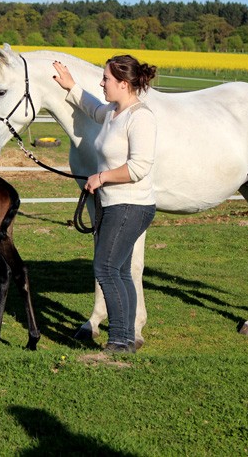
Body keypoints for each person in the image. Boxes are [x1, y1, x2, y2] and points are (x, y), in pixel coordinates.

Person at [52, 55, 157, 354]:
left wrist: (101, 177)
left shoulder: (141, 117)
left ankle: (119, 339)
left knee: (105, 267)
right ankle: (124, 339)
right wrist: (71, 86)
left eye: (106, 79)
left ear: (123, 84)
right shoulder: (113, 112)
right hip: (115, 204)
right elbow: (93, 109)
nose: (102, 83)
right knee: (120, 271)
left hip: (131, 206)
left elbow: (139, 167)